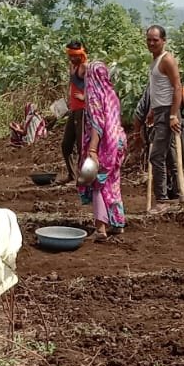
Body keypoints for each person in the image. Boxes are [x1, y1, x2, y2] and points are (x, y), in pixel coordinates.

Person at [132, 85, 184, 201]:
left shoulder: (156, 86)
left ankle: (165, 197)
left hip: (162, 129)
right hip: (170, 128)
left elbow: (140, 113)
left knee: (161, 161)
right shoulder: (175, 86)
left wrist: (137, 134)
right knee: (174, 162)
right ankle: (177, 194)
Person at [77, 52, 128, 240]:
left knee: (97, 181)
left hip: (104, 143)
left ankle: (100, 228)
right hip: (119, 141)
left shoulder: (95, 96)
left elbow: (98, 123)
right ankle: (117, 222)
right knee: (113, 182)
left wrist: (92, 149)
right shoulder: (111, 93)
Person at [144, 25, 184, 204]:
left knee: (156, 156)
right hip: (161, 111)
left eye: (155, 40)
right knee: (170, 156)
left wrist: (173, 115)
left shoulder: (167, 59)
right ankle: (177, 193)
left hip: (168, 112)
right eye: (149, 39)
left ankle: (162, 199)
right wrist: (153, 110)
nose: (151, 43)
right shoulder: (155, 60)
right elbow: (160, 89)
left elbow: (177, 87)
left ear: (163, 41)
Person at [59, 42, 88, 184]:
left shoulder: (84, 68)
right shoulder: (73, 67)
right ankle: (72, 175)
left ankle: (84, 178)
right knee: (66, 145)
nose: (72, 58)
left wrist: (85, 97)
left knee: (82, 145)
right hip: (74, 109)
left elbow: (95, 85)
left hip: (82, 110)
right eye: (70, 56)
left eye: (75, 56)